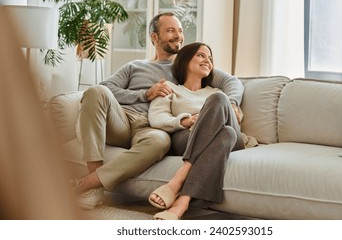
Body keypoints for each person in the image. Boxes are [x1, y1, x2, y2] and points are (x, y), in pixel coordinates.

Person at [73, 12, 245, 210]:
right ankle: (94, 184)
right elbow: (106, 87)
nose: (178, 36)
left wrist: (232, 104)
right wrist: (145, 95)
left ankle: (87, 184)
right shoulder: (135, 66)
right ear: (154, 37)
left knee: (160, 141)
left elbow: (232, 82)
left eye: (180, 31)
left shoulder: (186, 65)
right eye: (170, 30)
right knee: (96, 91)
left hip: (151, 127)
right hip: (122, 119)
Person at [148, 42, 245, 220]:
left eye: (210, 58)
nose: (207, 60)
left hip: (234, 141)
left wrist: (229, 106)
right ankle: (182, 203)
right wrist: (184, 120)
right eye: (201, 55)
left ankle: (177, 180)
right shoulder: (170, 88)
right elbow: (156, 118)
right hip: (187, 137)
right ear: (185, 60)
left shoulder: (217, 92)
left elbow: (235, 110)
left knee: (219, 100)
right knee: (226, 134)